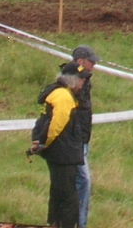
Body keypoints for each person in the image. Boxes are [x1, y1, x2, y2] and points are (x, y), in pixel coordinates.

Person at [41, 47, 100, 228]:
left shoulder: (80, 83)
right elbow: (58, 122)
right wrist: (47, 142)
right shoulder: (67, 92)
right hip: (70, 146)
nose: (94, 66)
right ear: (81, 61)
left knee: (70, 186)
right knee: (80, 184)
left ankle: (67, 223)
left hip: (77, 142)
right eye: (92, 62)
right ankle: (77, 224)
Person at [29, 64, 88, 228]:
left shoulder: (57, 92)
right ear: (73, 80)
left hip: (58, 151)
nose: (83, 83)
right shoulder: (63, 96)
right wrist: (44, 144)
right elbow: (56, 125)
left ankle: (55, 223)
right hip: (63, 152)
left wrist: (41, 144)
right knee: (68, 196)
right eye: (82, 79)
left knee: (58, 191)